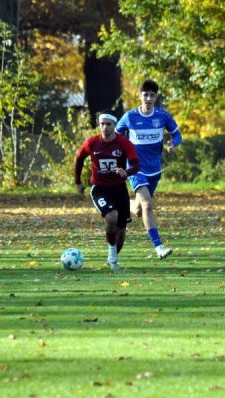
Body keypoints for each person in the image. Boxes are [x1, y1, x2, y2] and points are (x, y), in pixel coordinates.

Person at [115, 80, 182, 259]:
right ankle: (158, 246)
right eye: (145, 94)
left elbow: (177, 135)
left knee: (138, 210)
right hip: (135, 167)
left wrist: (172, 143)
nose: (149, 98)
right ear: (140, 96)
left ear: (156, 97)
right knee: (148, 204)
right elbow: (115, 135)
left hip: (154, 169)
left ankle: (124, 204)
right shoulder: (130, 117)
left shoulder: (162, 116)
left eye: (152, 95)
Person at [74, 111, 140, 271]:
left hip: (119, 189)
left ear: (114, 125)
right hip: (99, 188)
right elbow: (79, 158)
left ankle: (112, 259)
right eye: (102, 123)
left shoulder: (124, 143)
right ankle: (112, 256)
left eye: (108, 124)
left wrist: (127, 172)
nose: (104, 127)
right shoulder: (92, 142)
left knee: (121, 230)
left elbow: (136, 165)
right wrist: (78, 182)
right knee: (111, 217)